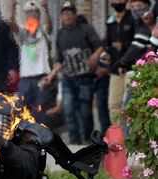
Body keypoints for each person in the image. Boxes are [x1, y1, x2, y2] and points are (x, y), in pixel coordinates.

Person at [42, 1, 103, 144]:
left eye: (69, 13)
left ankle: (87, 139)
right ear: (61, 17)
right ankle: (74, 142)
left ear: (75, 15)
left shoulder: (86, 29)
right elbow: (59, 60)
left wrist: (95, 56)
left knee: (85, 111)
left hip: (85, 77)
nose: (67, 16)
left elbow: (100, 46)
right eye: (64, 14)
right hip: (68, 79)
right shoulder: (61, 34)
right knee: (68, 110)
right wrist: (51, 76)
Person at [9, 0, 53, 123]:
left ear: (39, 14)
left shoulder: (43, 31)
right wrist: (13, 8)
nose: (31, 15)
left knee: (40, 110)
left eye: (34, 12)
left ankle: (41, 138)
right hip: (25, 78)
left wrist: (46, 8)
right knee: (22, 109)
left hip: (41, 77)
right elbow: (12, 26)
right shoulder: (23, 33)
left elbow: (50, 26)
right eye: (28, 12)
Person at [103, 0, 135, 123]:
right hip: (115, 68)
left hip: (131, 68)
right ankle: (118, 138)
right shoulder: (110, 20)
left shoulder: (132, 18)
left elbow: (137, 43)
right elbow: (107, 42)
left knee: (130, 106)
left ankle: (130, 138)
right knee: (113, 104)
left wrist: (124, 46)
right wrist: (107, 52)